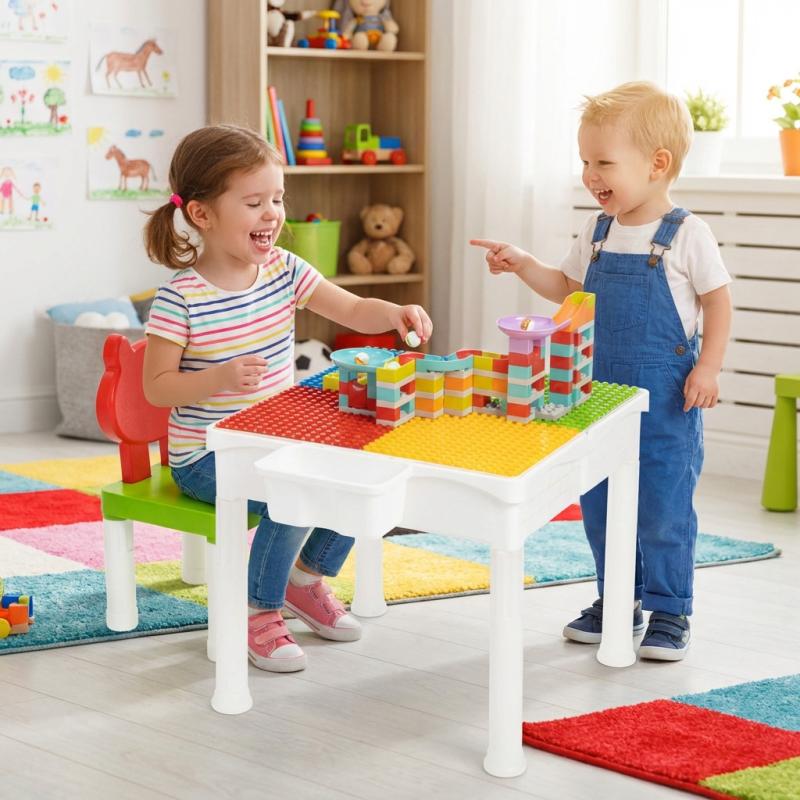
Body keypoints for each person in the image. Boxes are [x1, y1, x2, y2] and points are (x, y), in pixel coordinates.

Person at [142, 124, 433, 673]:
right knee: (293, 489)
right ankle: (257, 610)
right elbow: (156, 387)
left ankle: (304, 578)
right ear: (201, 214)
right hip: (206, 455)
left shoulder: (283, 270)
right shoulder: (181, 298)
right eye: (254, 202)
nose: (272, 213)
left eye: (277, 198)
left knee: (359, 471)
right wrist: (217, 379)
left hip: (276, 439)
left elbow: (352, 310)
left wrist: (394, 314)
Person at [471, 81, 732, 661]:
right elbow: (568, 289)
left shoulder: (687, 234)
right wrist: (524, 263)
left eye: (603, 163)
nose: (589, 175)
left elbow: (718, 302)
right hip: (598, 395)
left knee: (663, 510)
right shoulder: (597, 231)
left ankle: (670, 610)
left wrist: (709, 367)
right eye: (584, 161)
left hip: (666, 403)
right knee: (601, 505)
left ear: (657, 164)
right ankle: (618, 600)